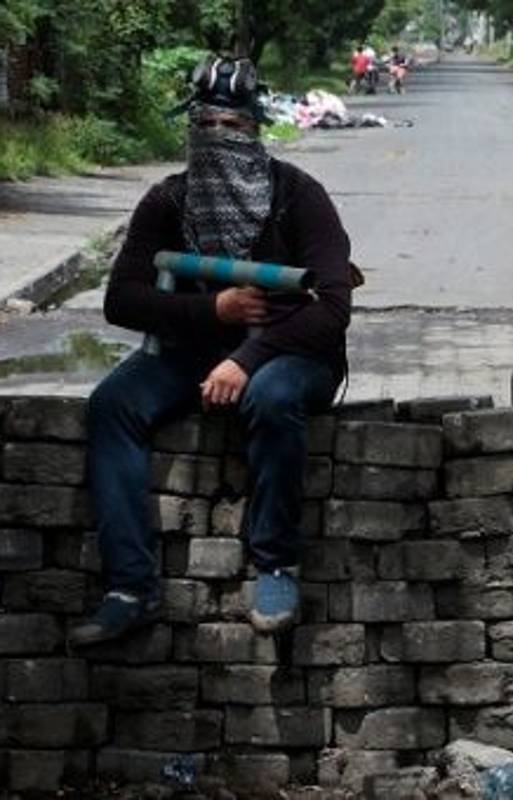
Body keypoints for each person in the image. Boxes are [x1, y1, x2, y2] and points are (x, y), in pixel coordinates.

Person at [68, 55, 354, 647]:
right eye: (205, 126)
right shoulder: (168, 202)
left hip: (292, 356)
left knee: (272, 399)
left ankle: (275, 565)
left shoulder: (298, 196)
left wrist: (246, 359)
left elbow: (331, 306)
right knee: (111, 405)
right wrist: (212, 312)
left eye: (232, 128)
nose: (217, 139)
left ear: (254, 130)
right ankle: (130, 586)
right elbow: (122, 298)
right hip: (194, 351)